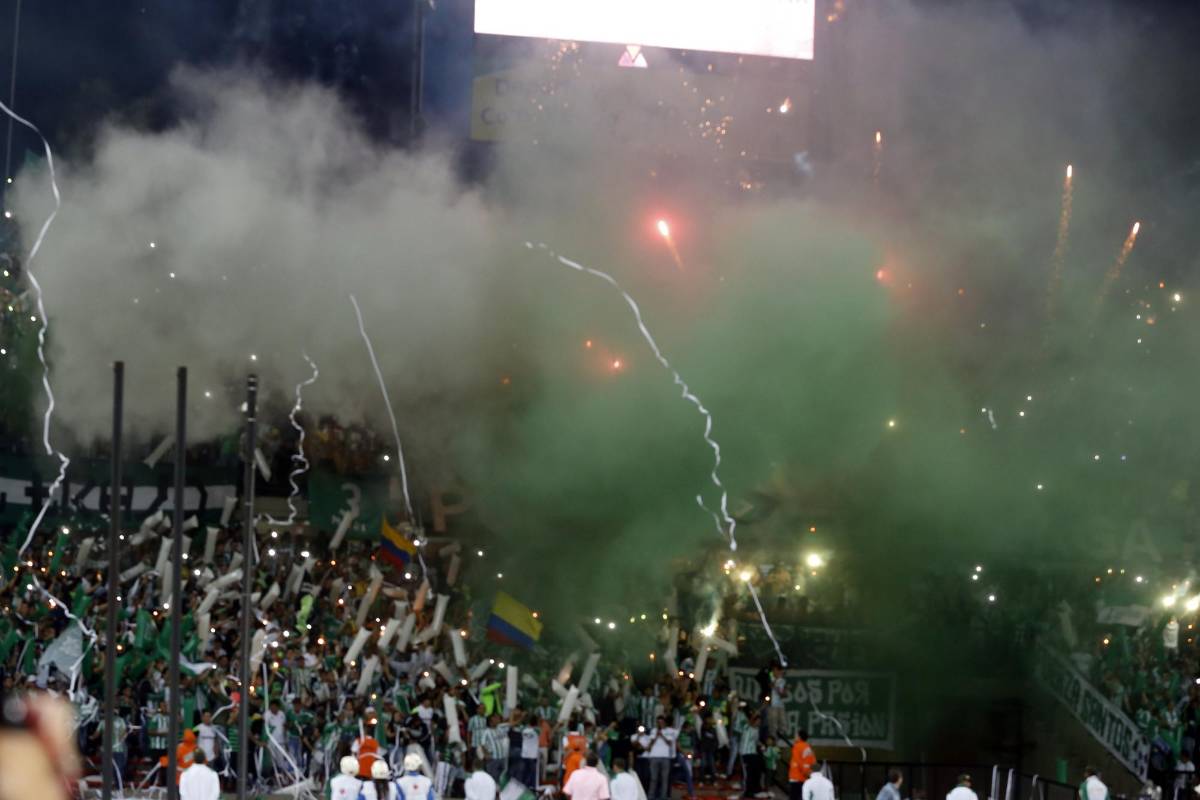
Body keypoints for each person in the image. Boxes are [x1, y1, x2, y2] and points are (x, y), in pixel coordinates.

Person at [639, 716, 677, 800]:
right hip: (654, 757)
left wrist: (662, 735)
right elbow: (651, 743)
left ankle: (663, 796)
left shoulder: (669, 731)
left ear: (664, 722)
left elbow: (670, 743)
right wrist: (656, 735)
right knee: (653, 778)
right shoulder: (653, 731)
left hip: (665, 757)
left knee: (664, 779)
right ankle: (651, 796)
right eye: (658, 722)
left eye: (661, 722)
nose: (660, 723)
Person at [739, 712, 764, 799]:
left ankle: (754, 790)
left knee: (755, 772)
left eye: (760, 721)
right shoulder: (746, 727)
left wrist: (762, 745)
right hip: (745, 753)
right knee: (747, 774)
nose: (759, 723)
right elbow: (750, 720)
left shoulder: (757, 730)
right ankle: (746, 792)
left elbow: (756, 741)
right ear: (753, 721)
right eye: (758, 721)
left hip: (753, 753)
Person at [789, 730, 816, 800]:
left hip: (796, 776)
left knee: (794, 797)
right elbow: (813, 762)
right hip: (806, 777)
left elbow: (798, 761)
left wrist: (804, 772)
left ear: (799, 737)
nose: (794, 737)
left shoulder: (796, 746)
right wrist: (808, 773)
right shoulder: (808, 747)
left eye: (796, 735)